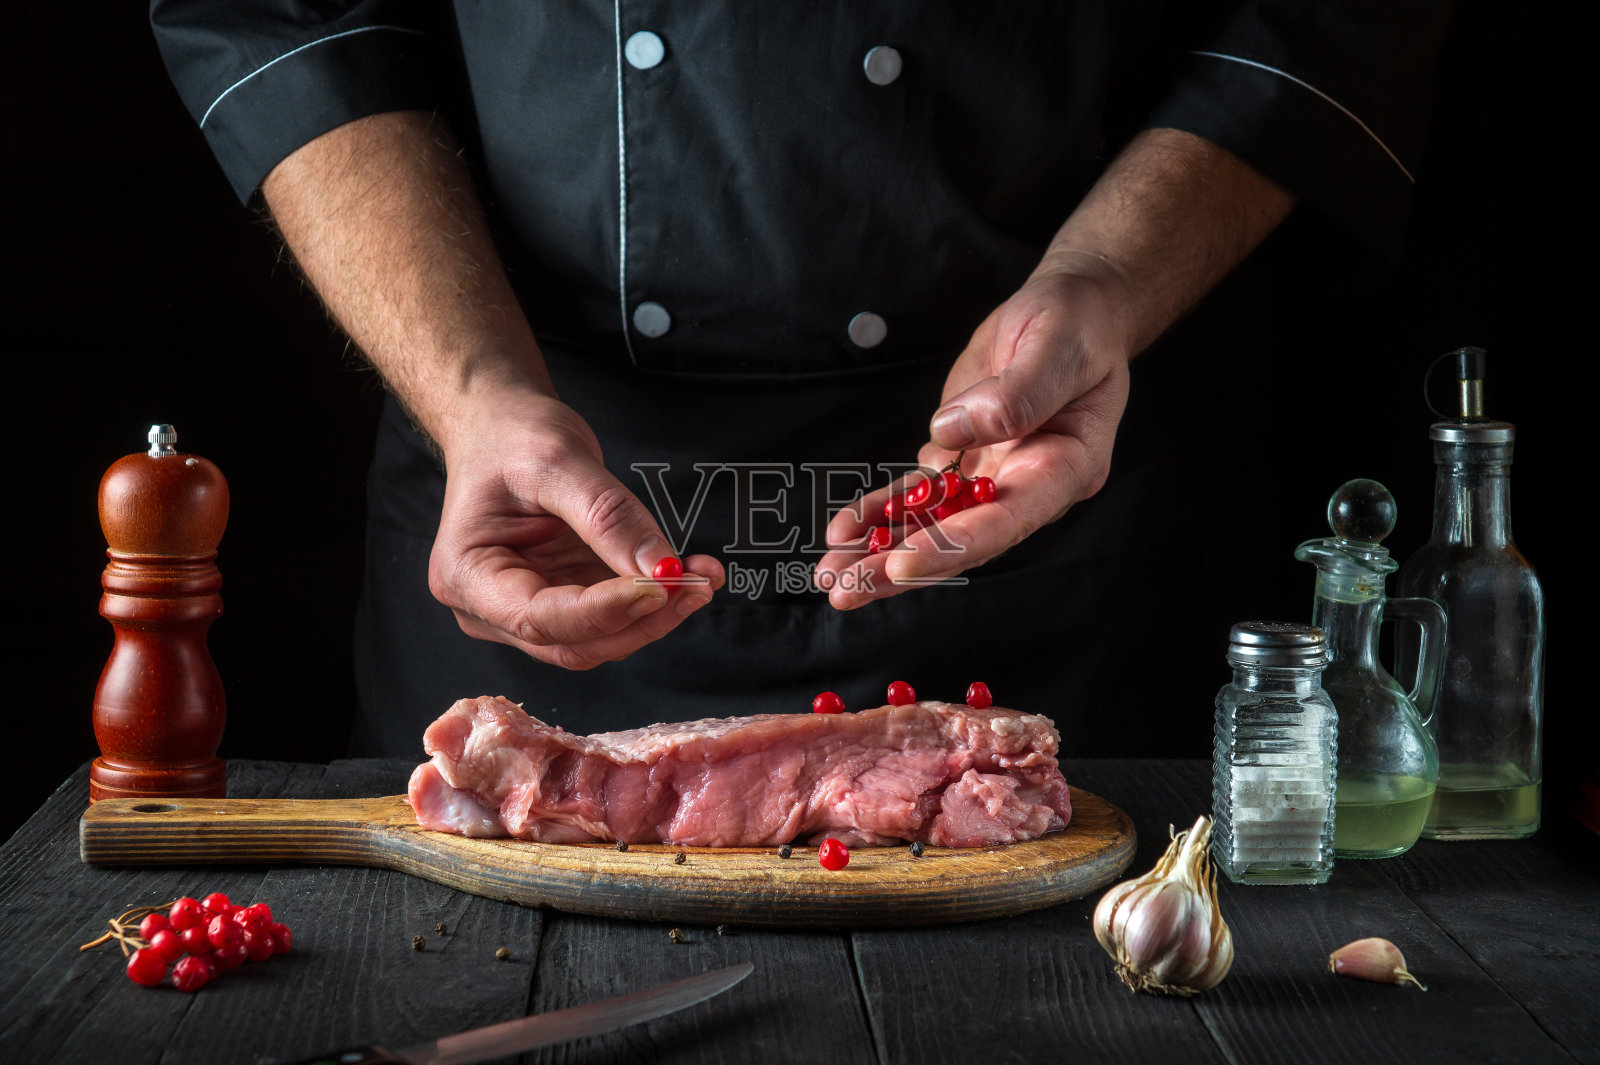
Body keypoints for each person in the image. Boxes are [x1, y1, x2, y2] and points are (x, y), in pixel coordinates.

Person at [150, 3, 1451, 756]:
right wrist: (469, 382)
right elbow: (281, 6)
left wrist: (1103, 285)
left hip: (1024, 492)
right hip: (538, 504)